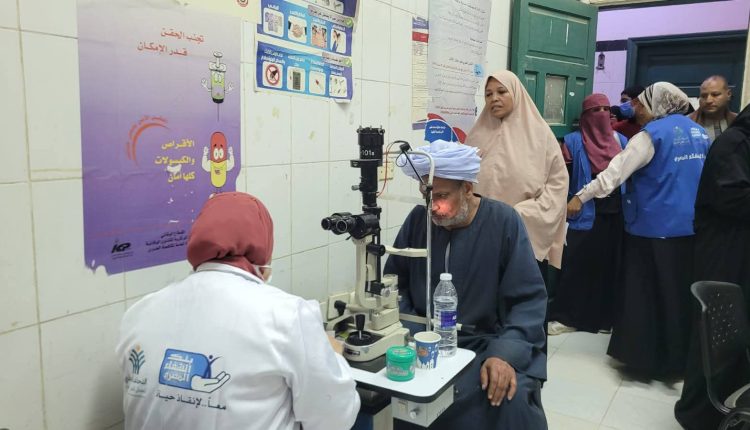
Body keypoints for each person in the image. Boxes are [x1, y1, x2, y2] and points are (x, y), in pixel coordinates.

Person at [116, 192, 360, 430]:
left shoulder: (139, 313)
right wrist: (333, 354)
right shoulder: (287, 315)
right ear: (263, 250)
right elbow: (335, 418)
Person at [385, 140, 548, 429]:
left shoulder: (503, 221)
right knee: (396, 395)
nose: (433, 207)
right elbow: (394, 285)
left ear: (468, 189)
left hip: (486, 343)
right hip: (423, 339)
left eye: (443, 196)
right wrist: (410, 332)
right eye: (427, 196)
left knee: (509, 399)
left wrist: (504, 353)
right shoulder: (419, 220)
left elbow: (528, 300)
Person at [567, 82, 710, 378]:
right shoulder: (699, 133)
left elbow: (614, 173)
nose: (635, 110)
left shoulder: (650, 136)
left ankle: (646, 361)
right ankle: (677, 361)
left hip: (652, 228)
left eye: (641, 104)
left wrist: (581, 196)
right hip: (689, 229)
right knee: (676, 295)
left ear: (657, 105)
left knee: (648, 295)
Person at [675, 103, 750, 430]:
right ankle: (701, 413)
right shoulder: (734, 143)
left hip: (737, 249)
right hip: (724, 253)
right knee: (719, 333)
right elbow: (731, 197)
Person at [465, 70, 568, 279]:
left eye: (501, 91)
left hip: (525, 232)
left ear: (516, 93)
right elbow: (463, 180)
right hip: (482, 232)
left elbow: (558, 184)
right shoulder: (476, 135)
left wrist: (525, 213)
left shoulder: (540, 135)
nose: (494, 98)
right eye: (488, 94)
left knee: (520, 292)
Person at [548, 94, 628, 336]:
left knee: (609, 267)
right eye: (595, 110)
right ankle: (568, 318)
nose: (601, 114)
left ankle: (604, 319)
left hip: (615, 214)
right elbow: (561, 179)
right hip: (582, 212)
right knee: (576, 265)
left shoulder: (622, 141)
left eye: (605, 109)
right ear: (584, 116)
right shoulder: (573, 142)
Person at [689, 75, 738, 144]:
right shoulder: (687, 123)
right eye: (704, 96)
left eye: (715, 95)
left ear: (728, 94)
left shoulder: (740, 122)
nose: (708, 101)